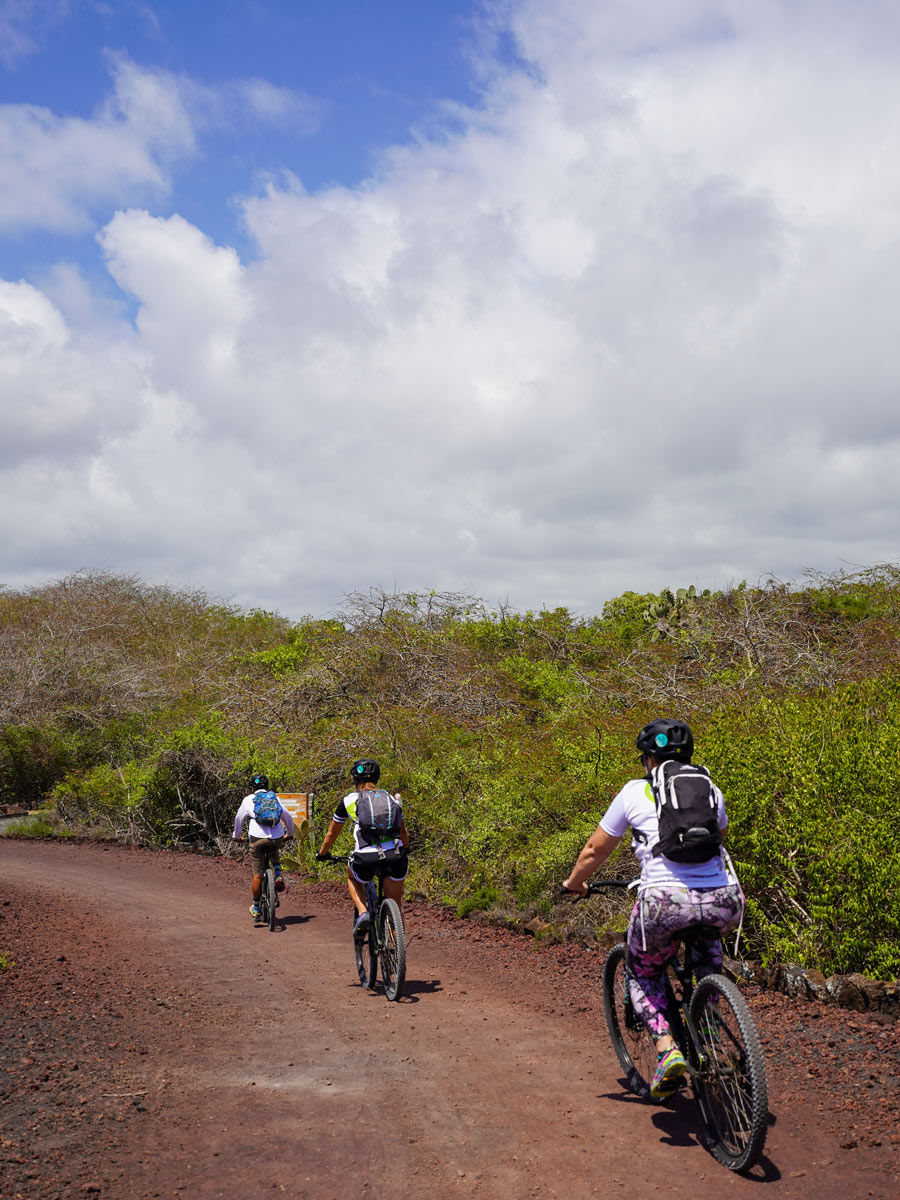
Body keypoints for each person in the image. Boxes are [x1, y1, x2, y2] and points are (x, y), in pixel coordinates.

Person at [562, 719, 743, 1101]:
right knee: (707, 959)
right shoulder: (711, 789)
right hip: (724, 899)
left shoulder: (633, 792)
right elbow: (719, 839)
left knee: (642, 972)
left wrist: (575, 882)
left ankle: (666, 1050)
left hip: (663, 901)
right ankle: (710, 1032)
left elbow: (595, 850)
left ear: (648, 760)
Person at [315, 759, 409, 938]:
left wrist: (323, 853)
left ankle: (363, 912)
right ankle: (398, 954)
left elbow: (331, 835)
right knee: (395, 907)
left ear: (355, 779)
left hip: (365, 857)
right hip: (395, 856)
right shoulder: (390, 798)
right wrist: (406, 849)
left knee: (352, 877)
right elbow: (403, 833)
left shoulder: (349, 801)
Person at [233, 774, 295, 920]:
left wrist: (237, 836)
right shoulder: (275, 798)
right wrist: (289, 833)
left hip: (257, 838)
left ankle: (255, 908)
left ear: (252, 788)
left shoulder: (248, 800)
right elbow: (288, 817)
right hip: (277, 837)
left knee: (257, 875)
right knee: (274, 848)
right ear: (267, 787)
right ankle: (278, 873)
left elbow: (238, 819)